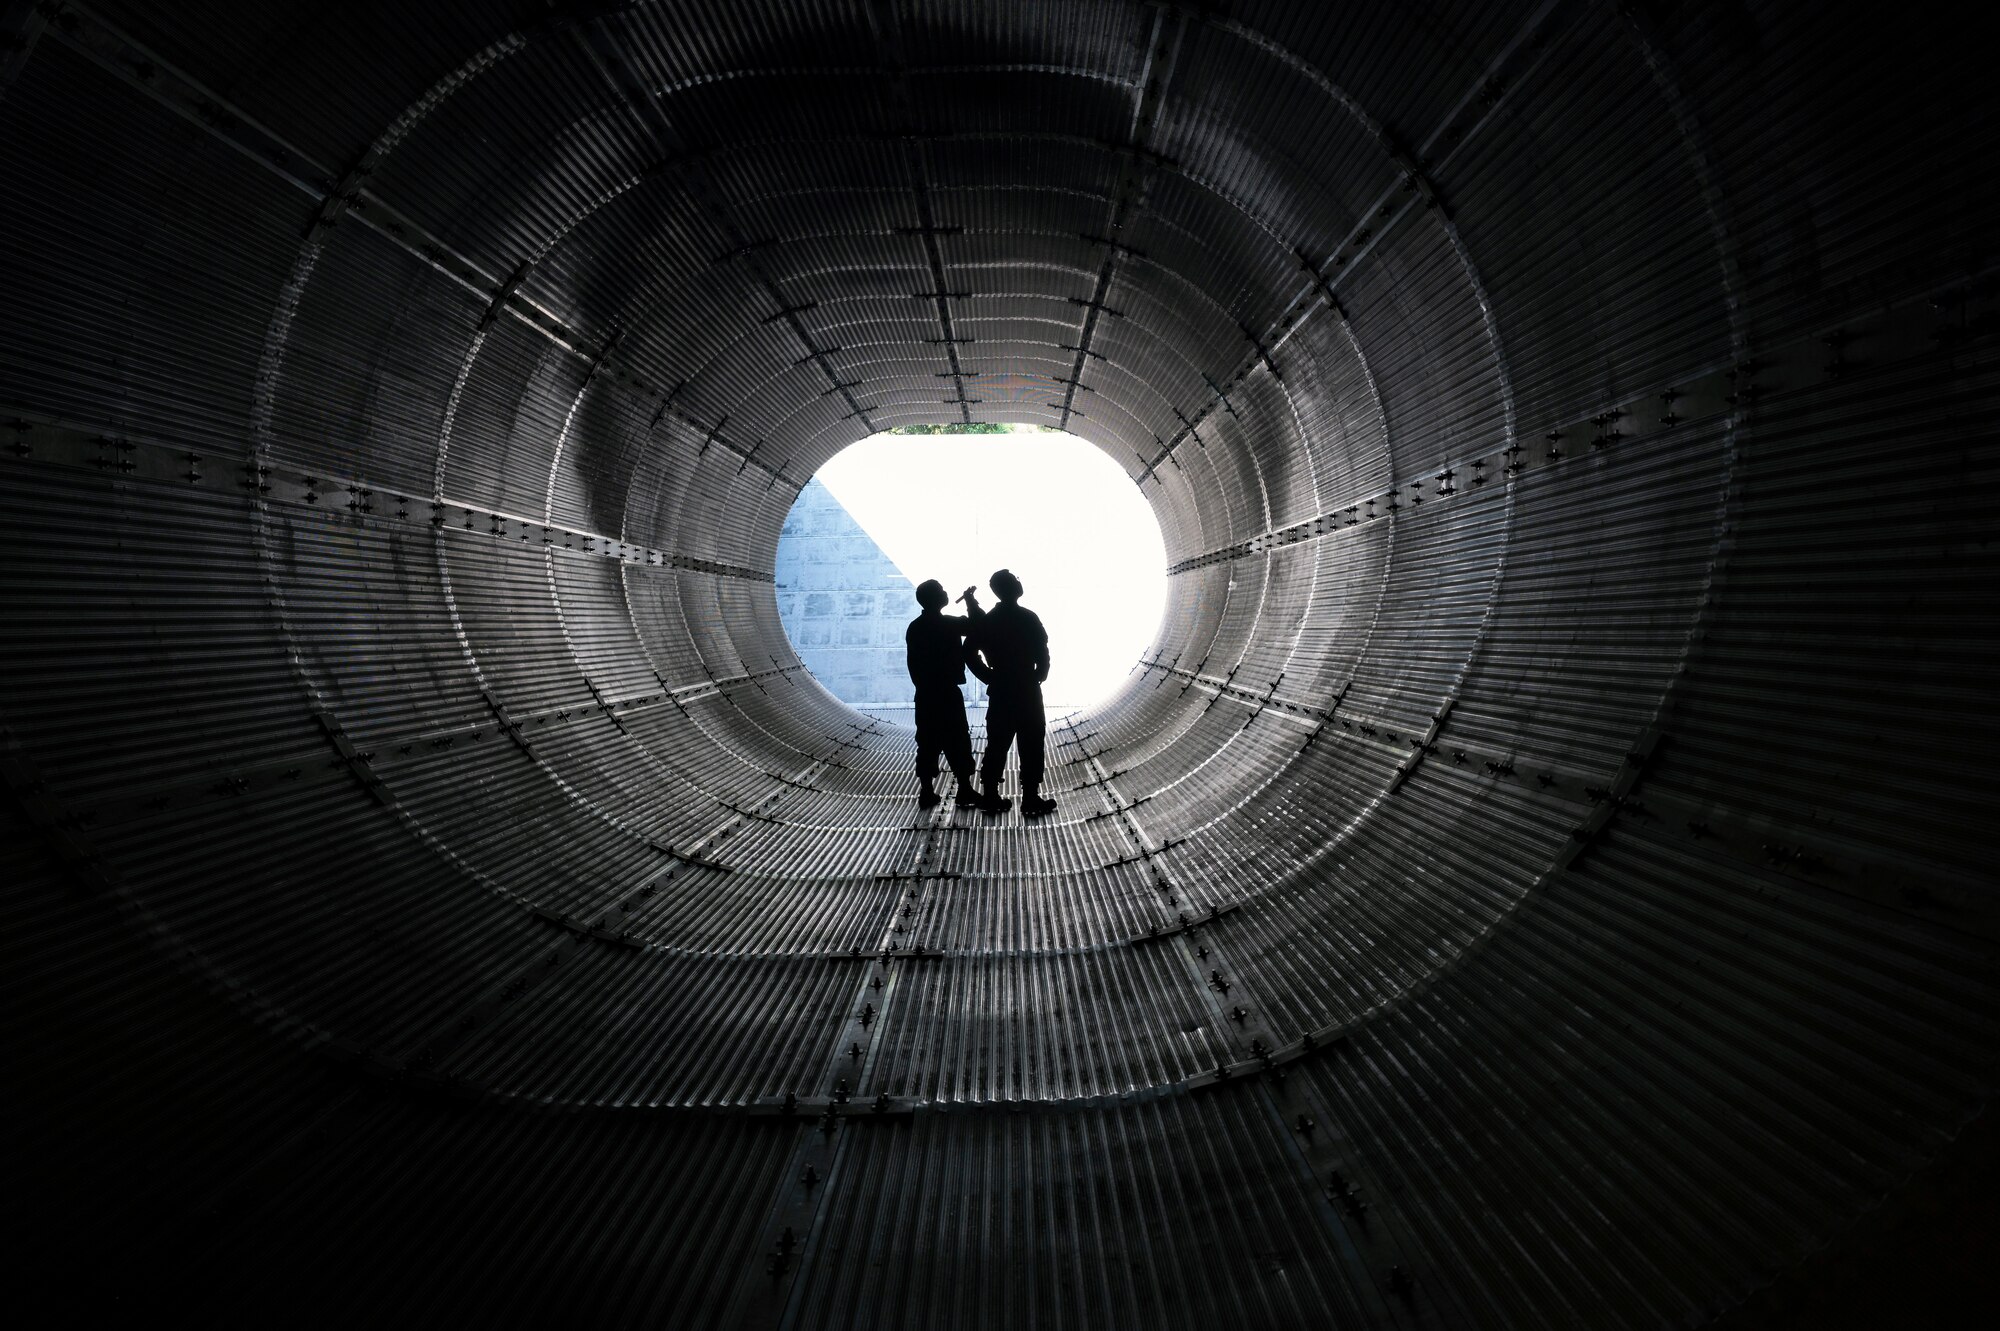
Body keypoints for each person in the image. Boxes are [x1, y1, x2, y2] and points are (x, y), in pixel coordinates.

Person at [964, 568, 1056, 817]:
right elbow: (1042, 648)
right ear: (1009, 588)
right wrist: (1042, 672)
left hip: (1003, 688)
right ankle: (1030, 798)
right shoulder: (1028, 617)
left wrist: (989, 676)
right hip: (1027, 687)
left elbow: (969, 650)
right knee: (1032, 742)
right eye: (1015, 579)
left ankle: (991, 795)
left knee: (998, 743)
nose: (1019, 581)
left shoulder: (990, 621)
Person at [905, 579, 984, 809]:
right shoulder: (948, 624)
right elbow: (977, 626)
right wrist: (970, 600)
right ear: (935, 598)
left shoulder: (916, 627)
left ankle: (927, 791)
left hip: (926, 694)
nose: (945, 592)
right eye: (941, 591)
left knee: (927, 741)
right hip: (948, 693)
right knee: (957, 739)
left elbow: (914, 664)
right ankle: (965, 790)